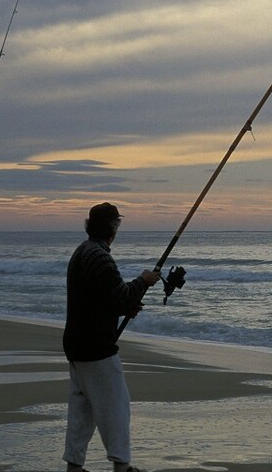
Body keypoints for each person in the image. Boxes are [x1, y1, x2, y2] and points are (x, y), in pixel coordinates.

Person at [63, 202, 161, 472]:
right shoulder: (100, 256)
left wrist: (126, 306)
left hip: (76, 344)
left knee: (82, 409)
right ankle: (122, 466)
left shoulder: (83, 251)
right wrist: (144, 280)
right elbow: (120, 295)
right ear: (113, 227)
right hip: (95, 346)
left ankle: (74, 465)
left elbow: (103, 298)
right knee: (116, 407)